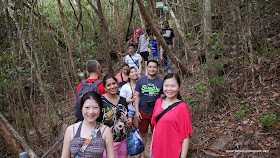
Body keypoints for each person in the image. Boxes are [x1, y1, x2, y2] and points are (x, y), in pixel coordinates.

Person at [150, 73, 193, 158]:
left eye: (173, 86)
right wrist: (151, 148)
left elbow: (186, 136)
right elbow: (155, 127)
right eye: (166, 85)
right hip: (156, 151)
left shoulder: (182, 107)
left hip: (173, 152)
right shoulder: (158, 102)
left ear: (179, 87)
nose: (169, 89)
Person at [61, 91, 114, 158]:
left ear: (100, 109)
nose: (91, 112)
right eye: (87, 107)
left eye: (95, 108)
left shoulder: (105, 131)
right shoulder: (71, 130)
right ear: (81, 109)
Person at [134, 60, 163, 157]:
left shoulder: (161, 82)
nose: (152, 69)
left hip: (157, 113)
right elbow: (136, 96)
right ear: (147, 68)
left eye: (154, 67)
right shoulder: (140, 81)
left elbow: (163, 98)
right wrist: (137, 111)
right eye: (150, 67)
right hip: (143, 111)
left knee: (157, 135)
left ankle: (154, 154)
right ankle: (143, 155)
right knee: (143, 134)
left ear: (157, 69)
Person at [101, 74, 132, 158]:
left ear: (117, 84)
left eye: (114, 83)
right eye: (109, 85)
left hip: (123, 141)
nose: (112, 86)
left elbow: (126, 116)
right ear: (105, 88)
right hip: (107, 143)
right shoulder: (101, 101)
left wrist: (129, 122)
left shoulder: (122, 100)